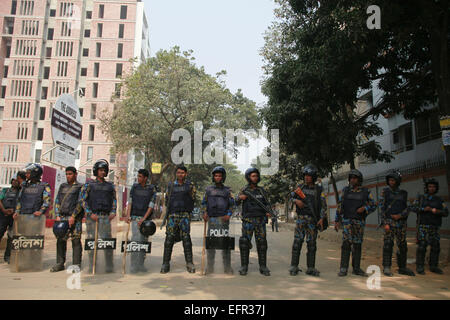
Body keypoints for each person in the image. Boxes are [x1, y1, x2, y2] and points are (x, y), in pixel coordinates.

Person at [335, 169, 376, 277]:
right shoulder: (345, 190)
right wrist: (336, 220)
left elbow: (373, 205)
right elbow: (339, 206)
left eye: (355, 178)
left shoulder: (366, 192)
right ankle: (343, 268)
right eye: (351, 178)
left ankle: (356, 268)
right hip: (347, 221)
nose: (352, 180)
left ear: (359, 180)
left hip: (359, 222)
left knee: (357, 245)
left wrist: (365, 208)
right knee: (346, 244)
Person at [289, 164, 327, 277]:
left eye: (309, 176)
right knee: (297, 242)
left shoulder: (319, 189)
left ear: (313, 177)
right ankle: (294, 266)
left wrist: (321, 218)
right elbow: (291, 197)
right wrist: (296, 201)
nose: (306, 177)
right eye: (305, 175)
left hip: (312, 220)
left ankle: (310, 267)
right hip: (301, 220)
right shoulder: (300, 188)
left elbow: (323, 205)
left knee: (311, 244)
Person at [79, 159, 117, 273]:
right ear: (96, 171)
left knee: (107, 242)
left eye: (104, 170)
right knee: (92, 243)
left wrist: (113, 212)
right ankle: (92, 265)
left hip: (105, 218)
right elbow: (82, 200)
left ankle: (109, 265)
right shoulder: (89, 185)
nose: (103, 172)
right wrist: (90, 213)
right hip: (92, 218)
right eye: (100, 170)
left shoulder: (110, 186)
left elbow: (114, 200)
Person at [13, 164, 51, 270]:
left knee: (33, 242)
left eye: (29, 172)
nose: (27, 174)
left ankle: (33, 263)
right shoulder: (24, 185)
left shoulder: (44, 185)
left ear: (35, 173)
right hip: (23, 218)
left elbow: (47, 201)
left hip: (35, 219)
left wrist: (41, 211)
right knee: (22, 241)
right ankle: (23, 262)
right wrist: (17, 211)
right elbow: (20, 200)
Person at [236, 167, 272, 276]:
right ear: (248, 177)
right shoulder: (244, 190)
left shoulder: (262, 190)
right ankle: (244, 266)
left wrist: (268, 212)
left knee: (262, 244)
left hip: (260, 221)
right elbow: (235, 202)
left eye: (256, 176)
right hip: (248, 221)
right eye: (253, 176)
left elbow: (267, 204)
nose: (255, 178)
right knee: (245, 243)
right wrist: (240, 198)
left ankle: (263, 266)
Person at [160, 165, 196, 274]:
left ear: (186, 174)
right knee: (169, 239)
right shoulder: (171, 186)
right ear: (176, 174)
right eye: (179, 173)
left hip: (185, 215)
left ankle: (189, 263)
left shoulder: (190, 185)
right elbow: (167, 200)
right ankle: (165, 263)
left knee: (186, 239)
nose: (180, 174)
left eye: (183, 173)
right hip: (173, 215)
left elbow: (193, 199)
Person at [379, 170, 415, 277]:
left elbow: (409, 207)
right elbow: (382, 209)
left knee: (402, 245)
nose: (391, 182)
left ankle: (402, 267)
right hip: (389, 222)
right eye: (390, 180)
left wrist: (400, 215)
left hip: (401, 223)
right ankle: (386, 267)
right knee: (388, 244)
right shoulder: (385, 192)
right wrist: (385, 223)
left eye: (393, 180)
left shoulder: (404, 194)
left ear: (398, 181)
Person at [411, 178, 449, 275]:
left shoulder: (439, 200)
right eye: (430, 186)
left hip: (434, 226)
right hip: (423, 225)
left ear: (436, 188)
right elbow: (413, 208)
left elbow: (446, 212)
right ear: (426, 188)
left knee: (435, 245)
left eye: (433, 187)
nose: (431, 188)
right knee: (422, 245)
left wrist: (437, 211)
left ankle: (433, 266)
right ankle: (420, 266)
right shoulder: (421, 198)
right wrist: (424, 209)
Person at [202, 166, 235, 275]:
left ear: (223, 177)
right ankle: (210, 267)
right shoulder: (208, 190)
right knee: (211, 245)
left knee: (225, 245)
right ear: (213, 177)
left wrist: (228, 215)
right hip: (212, 220)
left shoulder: (228, 190)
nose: (218, 177)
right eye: (216, 175)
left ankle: (227, 268)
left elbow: (232, 205)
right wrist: (204, 213)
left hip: (223, 220)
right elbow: (204, 203)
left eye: (220, 176)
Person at [50, 167, 83, 272]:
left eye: (70, 174)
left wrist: (73, 216)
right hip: (62, 218)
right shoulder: (62, 186)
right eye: (67, 174)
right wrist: (57, 215)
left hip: (75, 219)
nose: (68, 176)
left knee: (76, 241)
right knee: (60, 240)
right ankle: (60, 263)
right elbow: (57, 201)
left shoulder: (80, 187)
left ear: (75, 174)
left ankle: (76, 264)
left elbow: (80, 202)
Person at [125, 169, 157, 273]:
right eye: (138, 176)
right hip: (135, 218)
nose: (138, 178)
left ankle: (141, 265)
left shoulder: (151, 189)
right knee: (135, 241)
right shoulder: (134, 187)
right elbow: (130, 202)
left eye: (140, 176)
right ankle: (133, 265)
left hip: (146, 220)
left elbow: (151, 206)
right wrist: (128, 215)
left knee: (143, 242)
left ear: (145, 178)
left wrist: (143, 219)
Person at [0, 174, 22, 263]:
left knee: (11, 237)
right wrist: (4, 210)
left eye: (17, 180)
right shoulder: (5, 190)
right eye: (13, 180)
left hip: (14, 217)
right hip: (3, 216)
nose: (15, 182)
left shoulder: (21, 191)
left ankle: (7, 256)